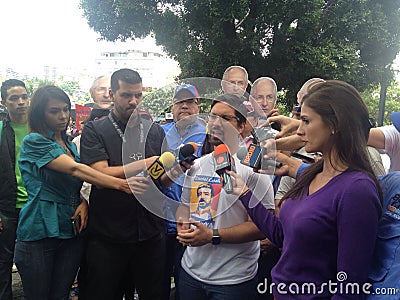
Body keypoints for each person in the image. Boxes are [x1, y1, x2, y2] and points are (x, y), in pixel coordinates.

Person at [229, 80, 382, 299]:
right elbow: (282, 236)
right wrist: (244, 193)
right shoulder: (312, 173)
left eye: (306, 121)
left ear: (335, 124)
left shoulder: (357, 191)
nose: (299, 131)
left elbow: (350, 287)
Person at [14, 85, 133, 299]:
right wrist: (121, 185)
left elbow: (72, 182)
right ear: (40, 113)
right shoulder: (35, 141)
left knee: (61, 295)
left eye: (66, 109)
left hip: (71, 230)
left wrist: (83, 201)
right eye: (54, 111)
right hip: (39, 230)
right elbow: (75, 169)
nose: (62, 116)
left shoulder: (69, 144)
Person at [79, 68, 187, 300]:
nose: (133, 101)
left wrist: (179, 169)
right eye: (126, 95)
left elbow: (161, 179)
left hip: (150, 233)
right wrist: (144, 163)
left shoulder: (155, 132)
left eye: (138, 95)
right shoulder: (94, 130)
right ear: (112, 93)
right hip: (109, 236)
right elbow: (99, 172)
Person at [176, 94, 275, 300]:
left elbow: (262, 226)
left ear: (241, 127)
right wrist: (182, 224)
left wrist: (212, 236)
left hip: (233, 281)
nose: (216, 123)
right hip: (190, 273)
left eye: (225, 118)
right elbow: (184, 206)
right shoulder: (197, 165)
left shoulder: (254, 168)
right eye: (212, 117)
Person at [161, 83, 206, 300]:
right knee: (157, 281)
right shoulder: (158, 133)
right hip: (160, 221)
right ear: (172, 106)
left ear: (198, 107)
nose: (185, 106)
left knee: (185, 284)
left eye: (190, 102)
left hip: (192, 222)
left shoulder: (209, 136)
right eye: (180, 102)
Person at [0, 79, 29, 300]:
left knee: (33, 259)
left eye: (23, 97)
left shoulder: (41, 128)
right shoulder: (1, 130)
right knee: (3, 259)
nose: (20, 102)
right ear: (3, 102)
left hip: (36, 205)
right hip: (7, 207)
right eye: (14, 98)